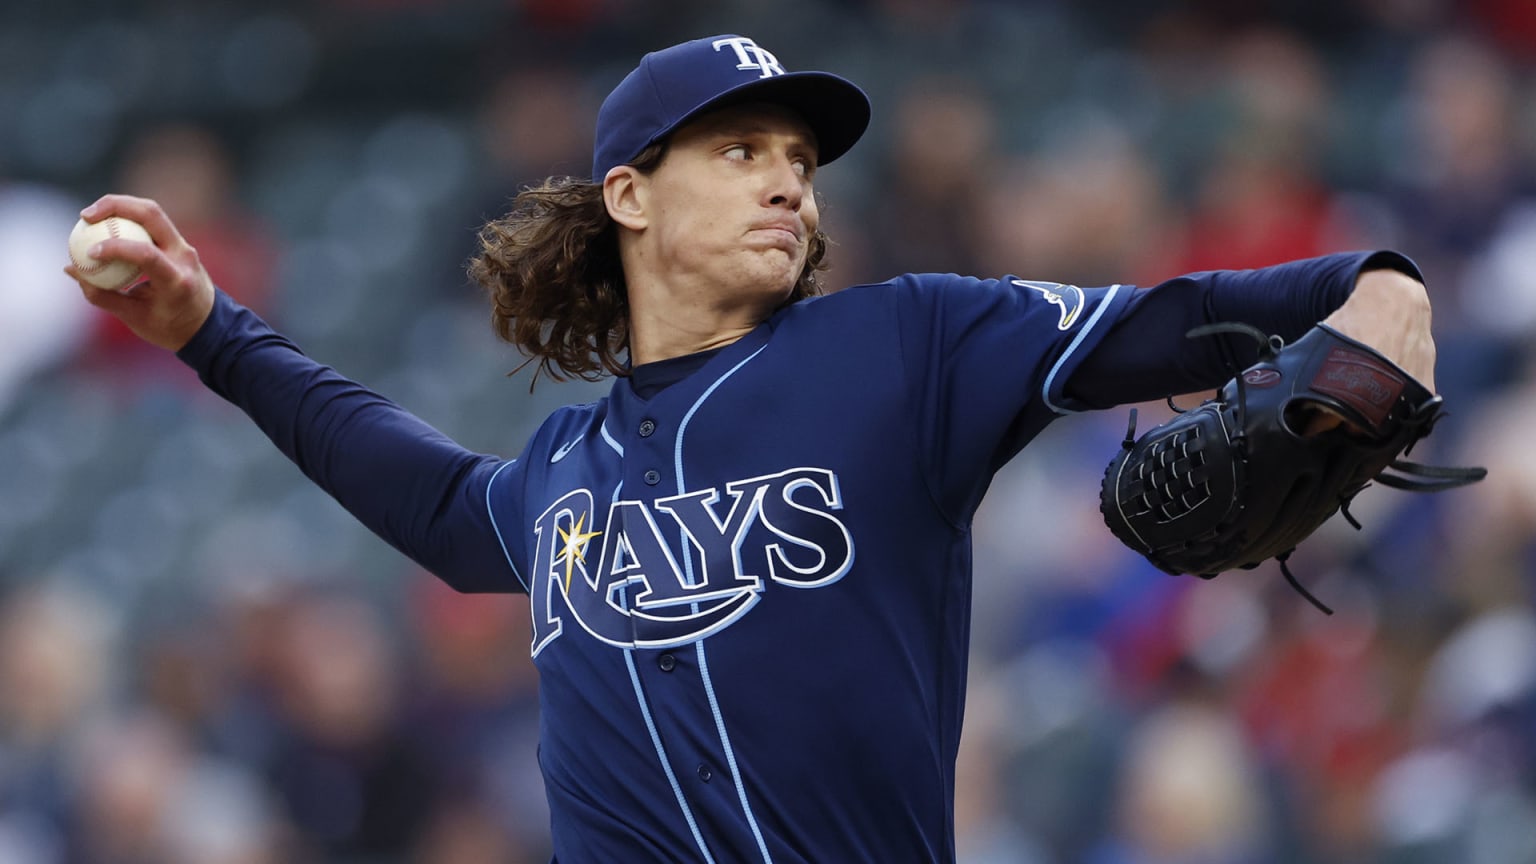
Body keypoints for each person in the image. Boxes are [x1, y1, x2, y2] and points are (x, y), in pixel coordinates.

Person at [67, 33, 1439, 864]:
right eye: (736, 149)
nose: (787, 174)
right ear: (629, 194)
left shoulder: (906, 347)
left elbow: (1183, 317)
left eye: (797, 152)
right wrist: (210, 330)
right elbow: (428, 496)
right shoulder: (562, 473)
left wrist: (1384, 287)